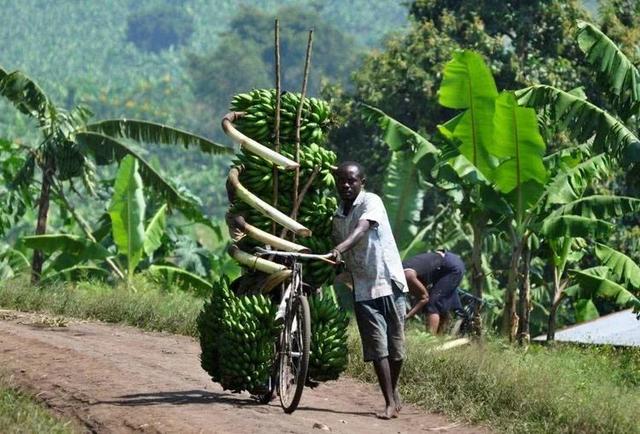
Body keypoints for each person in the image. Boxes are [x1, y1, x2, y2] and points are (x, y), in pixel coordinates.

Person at [329, 161, 408, 420]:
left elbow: (362, 229)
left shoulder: (371, 202)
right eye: (341, 180)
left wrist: (340, 248)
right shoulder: (338, 216)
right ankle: (388, 401)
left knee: (397, 348)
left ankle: (392, 390)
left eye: (351, 180)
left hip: (389, 281)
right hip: (363, 289)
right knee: (377, 347)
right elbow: (339, 249)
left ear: (362, 182)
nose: (346, 185)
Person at [403, 250, 465, 335]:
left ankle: (430, 338)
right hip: (446, 264)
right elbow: (420, 298)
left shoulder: (406, 275)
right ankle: (439, 337)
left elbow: (424, 298)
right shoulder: (403, 269)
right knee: (441, 304)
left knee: (433, 303)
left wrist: (407, 317)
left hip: (449, 266)